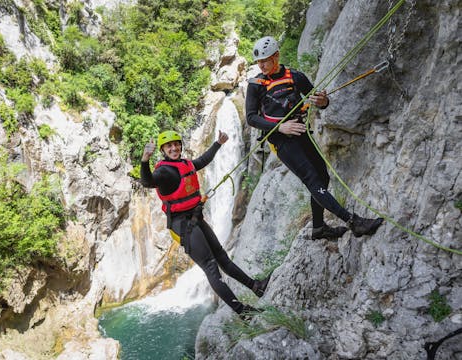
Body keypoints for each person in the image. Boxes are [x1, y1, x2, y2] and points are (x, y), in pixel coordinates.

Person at [245, 36, 383, 240]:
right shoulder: (256, 84)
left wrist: (323, 100)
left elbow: (319, 101)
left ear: (276, 56)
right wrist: (280, 127)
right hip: (281, 140)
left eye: (265, 60)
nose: (261, 65)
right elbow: (251, 118)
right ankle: (353, 221)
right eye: (259, 62)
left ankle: (319, 228)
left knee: (322, 176)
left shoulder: (295, 77)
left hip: (300, 132)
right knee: (311, 178)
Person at [140, 130, 270, 317]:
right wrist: (145, 159)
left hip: (195, 218)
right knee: (211, 266)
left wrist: (218, 143)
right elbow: (148, 182)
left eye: (176, 144)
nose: (174, 148)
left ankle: (256, 286)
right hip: (182, 225)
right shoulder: (163, 172)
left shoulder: (184, 164)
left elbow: (201, 161)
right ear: (163, 150)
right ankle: (243, 312)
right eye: (169, 146)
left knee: (222, 257)